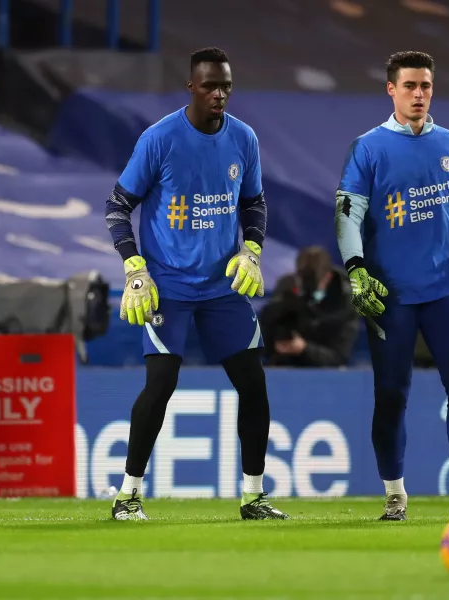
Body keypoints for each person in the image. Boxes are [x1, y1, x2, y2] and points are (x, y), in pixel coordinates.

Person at [104, 47, 288, 521]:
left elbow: (255, 204)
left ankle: (253, 496)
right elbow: (117, 207)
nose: (219, 94)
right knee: (161, 384)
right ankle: (128, 496)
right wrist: (134, 268)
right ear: (191, 86)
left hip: (223, 286)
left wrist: (252, 249)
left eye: (225, 85)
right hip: (168, 286)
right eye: (209, 85)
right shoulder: (159, 139)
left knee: (254, 385)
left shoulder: (244, 139)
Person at [335, 51, 449, 520]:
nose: (418, 94)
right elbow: (348, 214)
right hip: (392, 296)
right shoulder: (368, 148)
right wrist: (357, 269)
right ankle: (395, 495)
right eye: (409, 86)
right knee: (391, 394)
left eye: (425, 86)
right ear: (391, 90)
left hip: (445, 288)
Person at [260, 245, 359, 367]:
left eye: (314, 287)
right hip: (285, 364)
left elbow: (339, 357)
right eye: (304, 285)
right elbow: (266, 330)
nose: (309, 292)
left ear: (328, 277)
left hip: (326, 369)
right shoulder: (286, 288)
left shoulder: (346, 301)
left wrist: (304, 348)